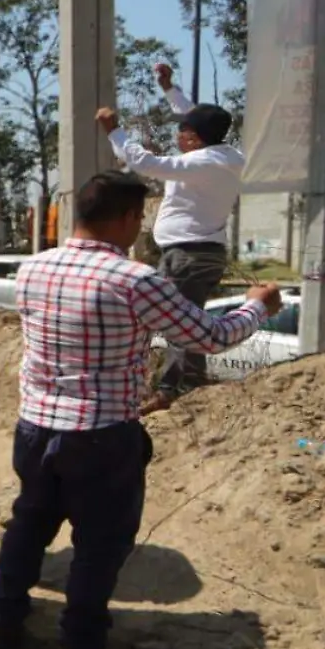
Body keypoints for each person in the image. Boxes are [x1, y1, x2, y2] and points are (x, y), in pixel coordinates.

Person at [0, 171, 280, 649]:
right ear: (125, 218)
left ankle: (6, 623)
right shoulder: (135, 280)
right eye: (139, 219)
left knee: (28, 526)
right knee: (99, 545)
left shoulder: (33, 268)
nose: (140, 229)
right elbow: (208, 337)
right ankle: (79, 648)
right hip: (100, 435)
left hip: (35, 427)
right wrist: (256, 305)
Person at [104, 65, 243, 402]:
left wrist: (114, 132)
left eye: (182, 132)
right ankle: (183, 383)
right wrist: (169, 89)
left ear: (194, 139)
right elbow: (195, 117)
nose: (177, 137)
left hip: (188, 255)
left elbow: (146, 163)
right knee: (183, 318)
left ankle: (173, 390)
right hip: (199, 251)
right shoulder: (227, 156)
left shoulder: (201, 163)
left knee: (178, 322)